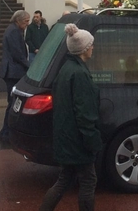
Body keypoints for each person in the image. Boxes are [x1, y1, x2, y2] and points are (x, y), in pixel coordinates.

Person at [38, 23, 101, 211]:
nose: (93, 48)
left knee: (64, 180)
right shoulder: (80, 74)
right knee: (89, 181)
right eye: (91, 45)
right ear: (83, 49)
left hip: (66, 136)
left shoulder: (66, 69)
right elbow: (85, 113)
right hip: (78, 140)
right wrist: (92, 141)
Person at [0, 10, 30, 143]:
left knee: (14, 103)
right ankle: (6, 132)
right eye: (26, 21)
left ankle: (8, 131)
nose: (27, 24)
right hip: (13, 72)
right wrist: (29, 66)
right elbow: (17, 53)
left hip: (13, 71)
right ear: (18, 20)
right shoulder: (13, 32)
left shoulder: (14, 30)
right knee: (13, 103)